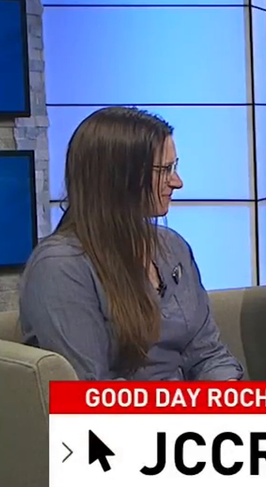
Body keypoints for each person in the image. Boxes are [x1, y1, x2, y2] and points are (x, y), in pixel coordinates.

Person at [18, 107, 243, 381]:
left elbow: (209, 354)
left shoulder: (172, 247)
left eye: (174, 167)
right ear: (119, 177)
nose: (177, 182)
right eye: (165, 170)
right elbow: (91, 391)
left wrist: (230, 393)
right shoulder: (61, 268)